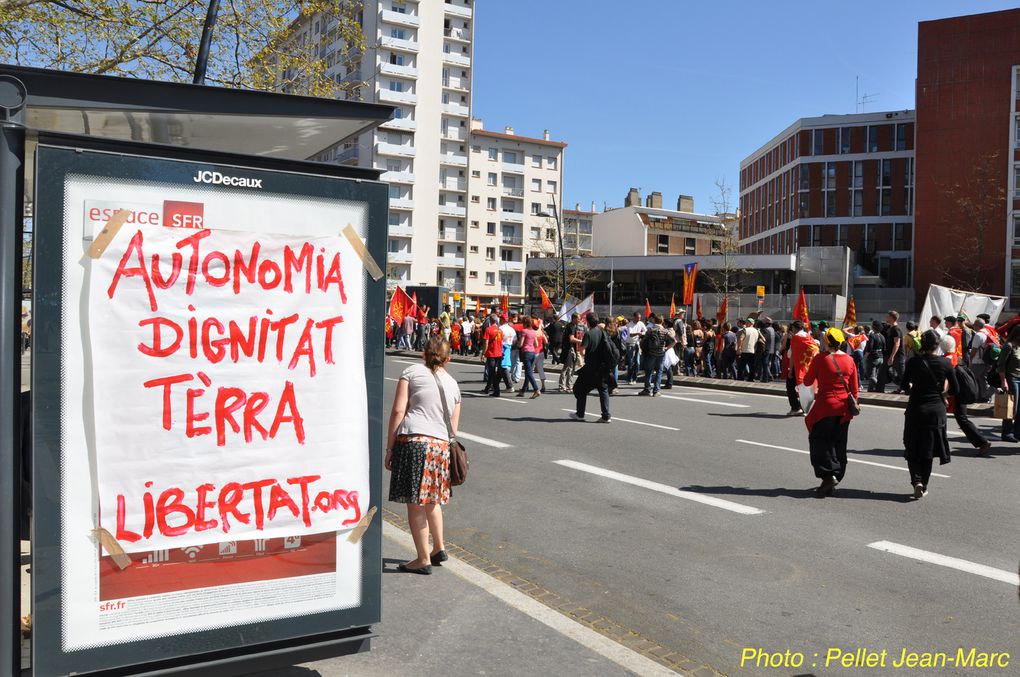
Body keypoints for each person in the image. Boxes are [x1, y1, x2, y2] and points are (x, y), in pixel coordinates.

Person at [385, 336, 460, 574]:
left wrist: (390, 448)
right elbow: (453, 429)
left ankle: (422, 558)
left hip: (415, 443)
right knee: (432, 500)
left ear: (423, 354)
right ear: (448, 359)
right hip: (439, 447)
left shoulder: (412, 372)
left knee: (415, 503)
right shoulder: (453, 385)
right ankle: (438, 547)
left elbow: (398, 410)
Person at [802, 328, 859, 497]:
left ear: (826, 342)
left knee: (819, 440)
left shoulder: (821, 358)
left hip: (825, 407)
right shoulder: (849, 360)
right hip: (844, 409)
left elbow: (807, 381)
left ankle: (828, 475)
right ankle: (836, 476)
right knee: (838, 444)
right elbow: (855, 389)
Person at [901, 330, 957, 499]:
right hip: (936, 411)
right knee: (929, 449)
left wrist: (914, 388)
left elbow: (904, 385)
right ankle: (923, 485)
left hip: (916, 409)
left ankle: (916, 480)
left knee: (912, 446)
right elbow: (955, 389)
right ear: (937, 345)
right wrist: (942, 395)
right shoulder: (945, 363)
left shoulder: (913, 362)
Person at [570, 313, 612, 423]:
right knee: (603, 390)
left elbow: (582, 350)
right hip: (602, 367)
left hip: (590, 368)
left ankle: (580, 414)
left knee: (580, 389)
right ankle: (606, 416)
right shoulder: (603, 332)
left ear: (588, 322)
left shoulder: (588, 334)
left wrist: (585, 353)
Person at [638, 315, 674, 396]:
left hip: (650, 353)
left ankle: (647, 389)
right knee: (659, 372)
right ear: (662, 322)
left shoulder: (650, 330)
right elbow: (674, 341)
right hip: (661, 354)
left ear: (654, 321)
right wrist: (666, 348)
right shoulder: (665, 331)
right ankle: (656, 391)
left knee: (648, 372)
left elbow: (643, 341)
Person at [996, 325, 1020, 443]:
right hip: (1012, 379)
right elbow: (1001, 365)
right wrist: (1003, 380)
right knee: (1012, 408)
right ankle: (1007, 433)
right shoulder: (1009, 346)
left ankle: (1017, 432)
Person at [480, 314, 508, 397]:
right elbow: (501, 342)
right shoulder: (500, 330)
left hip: (491, 353)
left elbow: (486, 343)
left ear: (490, 321)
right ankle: (488, 388)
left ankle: (496, 391)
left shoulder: (488, 330)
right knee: (495, 372)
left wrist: (483, 354)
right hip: (499, 353)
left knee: (492, 372)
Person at [878, 310, 904, 393]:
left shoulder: (896, 329)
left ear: (892, 318)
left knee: (902, 374)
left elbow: (897, 344)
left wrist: (892, 357)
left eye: (888, 316)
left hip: (897, 356)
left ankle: (908, 388)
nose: (886, 318)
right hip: (889, 355)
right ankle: (879, 389)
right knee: (882, 372)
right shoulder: (891, 328)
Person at [517, 316, 542, 399]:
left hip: (526, 352)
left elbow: (520, 344)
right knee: (528, 371)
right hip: (532, 352)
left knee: (528, 373)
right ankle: (523, 390)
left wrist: (517, 344)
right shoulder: (533, 332)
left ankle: (536, 389)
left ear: (524, 323)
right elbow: (537, 344)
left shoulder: (524, 331)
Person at [559, 313, 584, 392]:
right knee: (570, 368)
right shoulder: (572, 327)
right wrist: (581, 341)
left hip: (568, 348)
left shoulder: (570, 325)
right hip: (570, 349)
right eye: (578, 319)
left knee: (565, 367)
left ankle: (562, 386)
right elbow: (571, 339)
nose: (579, 320)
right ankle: (568, 386)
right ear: (573, 319)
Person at [624, 312, 646, 383]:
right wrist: (638, 333)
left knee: (637, 362)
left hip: (637, 343)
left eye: (640, 318)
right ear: (634, 317)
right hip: (630, 344)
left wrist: (642, 333)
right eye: (637, 318)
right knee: (631, 362)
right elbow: (630, 334)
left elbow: (646, 331)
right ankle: (629, 378)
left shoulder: (641, 323)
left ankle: (634, 377)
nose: (639, 319)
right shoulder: (629, 324)